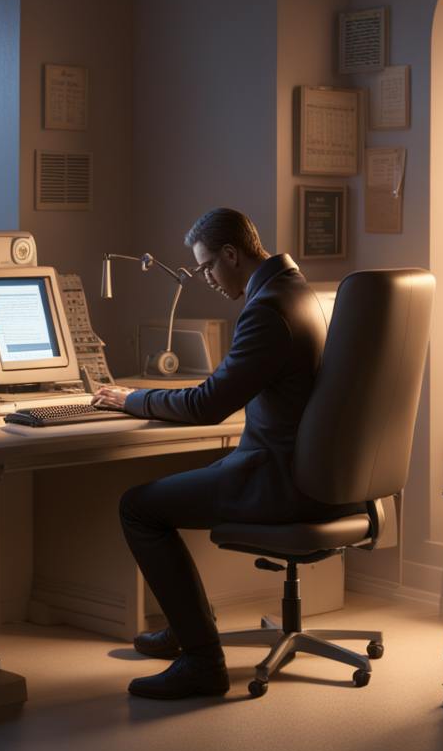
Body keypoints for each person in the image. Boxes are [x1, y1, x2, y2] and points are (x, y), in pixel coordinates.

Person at [91, 208, 359, 700]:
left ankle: (201, 661)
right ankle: (186, 628)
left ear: (232, 254)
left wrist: (130, 398)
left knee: (139, 507)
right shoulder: (299, 293)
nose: (207, 279)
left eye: (207, 266)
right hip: (308, 473)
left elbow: (207, 406)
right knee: (184, 484)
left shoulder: (268, 308)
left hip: (279, 481)